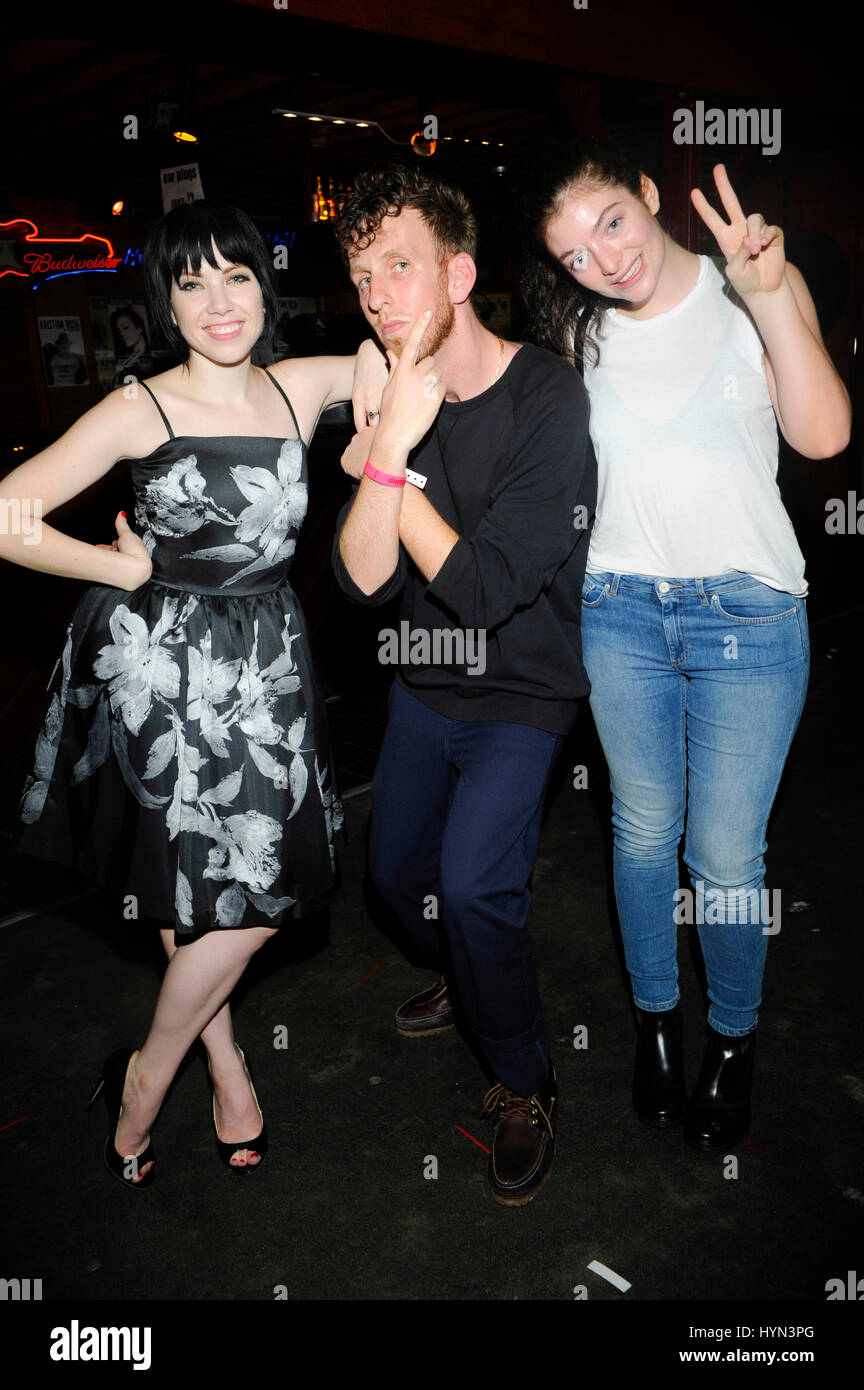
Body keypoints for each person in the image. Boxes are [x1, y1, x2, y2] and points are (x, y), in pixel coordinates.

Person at [2, 199, 385, 1188]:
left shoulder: (301, 386)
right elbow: (9, 513)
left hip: (267, 669)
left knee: (256, 894)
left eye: (238, 275)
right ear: (167, 304)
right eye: (191, 281)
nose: (220, 302)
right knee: (206, 894)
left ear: (266, 286)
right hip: (166, 670)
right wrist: (111, 568)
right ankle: (179, 1077)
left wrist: (381, 389)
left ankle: (167, 1066)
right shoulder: (144, 406)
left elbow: (405, 350)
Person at [522, 139, 851, 1151]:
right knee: (638, 834)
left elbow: (825, 437)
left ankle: (734, 1038)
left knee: (723, 857)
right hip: (619, 610)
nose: (603, 261)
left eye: (610, 223)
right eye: (574, 254)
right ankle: (656, 1028)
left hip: (748, 615)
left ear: (650, 195)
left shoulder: (749, 283)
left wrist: (774, 293)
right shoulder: (583, 335)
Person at [331, 165, 596, 1205]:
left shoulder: (547, 396)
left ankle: (524, 1081)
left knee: (480, 885)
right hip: (424, 686)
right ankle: (470, 974)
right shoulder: (396, 396)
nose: (382, 296)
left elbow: (482, 588)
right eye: (362, 280)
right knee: (395, 879)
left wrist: (387, 449)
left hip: (525, 694)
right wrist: (391, 442)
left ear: (459, 274)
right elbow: (362, 580)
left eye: (401, 267)